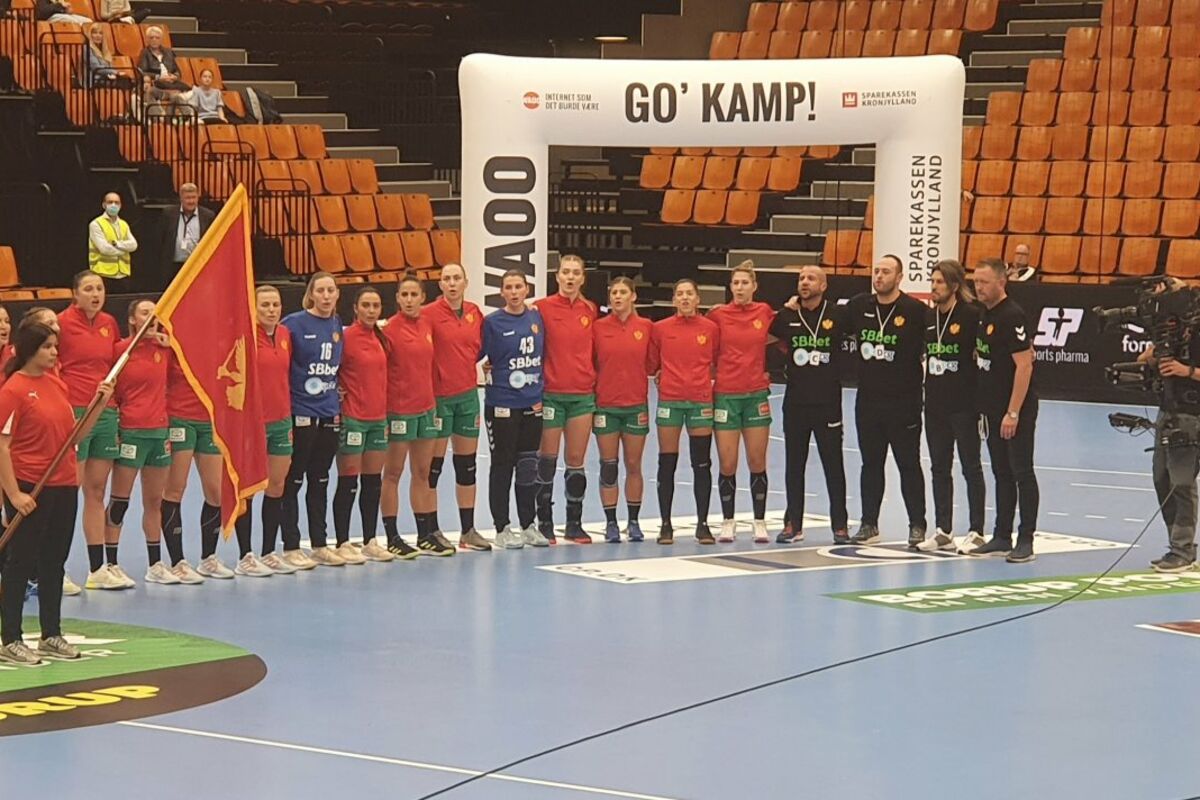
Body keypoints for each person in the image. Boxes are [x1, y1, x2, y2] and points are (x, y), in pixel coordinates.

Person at [0, 322, 108, 664]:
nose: (54, 352)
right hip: (30, 487)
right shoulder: (13, 390)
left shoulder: (56, 384)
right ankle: (10, 638)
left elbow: (74, 438)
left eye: (55, 346)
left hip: (63, 485)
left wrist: (99, 404)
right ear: (30, 349)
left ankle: (51, 634)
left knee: (53, 561)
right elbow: (2, 446)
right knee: (20, 563)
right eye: (47, 346)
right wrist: (14, 494)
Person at [105, 300, 190, 585]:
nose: (152, 317)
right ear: (132, 319)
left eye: (156, 313)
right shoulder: (120, 350)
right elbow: (108, 390)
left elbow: (192, 366)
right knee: (120, 501)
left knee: (154, 502)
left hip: (159, 434)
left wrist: (173, 343)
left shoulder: (165, 349)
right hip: (131, 432)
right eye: (145, 313)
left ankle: (155, 564)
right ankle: (110, 563)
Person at [848, 255, 928, 547]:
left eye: (886, 272)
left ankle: (917, 525)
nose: (879, 276)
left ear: (899, 277)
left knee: (909, 464)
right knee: (870, 464)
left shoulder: (915, 310)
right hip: (868, 402)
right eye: (876, 271)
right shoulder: (860, 305)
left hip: (903, 403)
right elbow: (828, 321)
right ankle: (869, 523)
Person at [771, 265, 849, 544]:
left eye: (811, 278)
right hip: (796, 403)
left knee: (833, 464)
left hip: (827, 403)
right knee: (794, 465)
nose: (805, 282)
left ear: (824, 286)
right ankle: (793, 523)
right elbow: (766, 339)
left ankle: (840, 525)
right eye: (801, 278)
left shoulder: (837, 315)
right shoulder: (786, 315)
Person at [57, 271, 125, 591]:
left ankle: (97, 569)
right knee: (67, 493)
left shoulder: (109, 323)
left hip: (106, 412)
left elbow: (114, 368)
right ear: (75, 294)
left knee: (96, 492)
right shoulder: (61, 324)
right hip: (74, 412)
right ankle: (55, 569)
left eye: (99, 288)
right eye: (88, 289)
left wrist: (115, 406)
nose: (95, 294)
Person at [971, 258, 1039, 563]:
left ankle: (1026, 539)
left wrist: (1013, 413)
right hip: (991, 408)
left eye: (984, 282)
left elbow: (1024, 366)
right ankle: (1001, 535)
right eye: (975, 282)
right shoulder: (984, 313)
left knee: (1021, 472)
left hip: (1015, 410)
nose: (978, 287)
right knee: (1001, 472)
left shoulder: (1012, 315)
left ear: (1001, 282)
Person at [381, 274, 453, 557]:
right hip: (399, 411)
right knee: (393, 474)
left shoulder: (427, 324)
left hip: (427, 409)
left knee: (422, 472)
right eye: (405, 295)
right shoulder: (389, 329)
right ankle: (392, 536)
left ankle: (425, 535)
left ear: (423, 297)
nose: (409, 300)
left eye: (414, 295)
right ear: (397, 298)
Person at [918, 260, 986, 553]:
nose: (934, 287)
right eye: (932, 281)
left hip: (964, 405)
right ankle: (943, 530)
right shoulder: (929, 317)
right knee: (939, 468)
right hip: (935, 405)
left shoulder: (971, 315)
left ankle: (977, 531)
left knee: (971, 467)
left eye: (940, 282)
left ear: (955, 286)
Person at [708, 262, 776, 544]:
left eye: (744, 283)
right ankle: (728, 521)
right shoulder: (717, 315)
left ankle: (759, 521)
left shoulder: (765, 312)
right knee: (727, 462)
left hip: (755, 395)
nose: (739, 288)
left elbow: (784, 332)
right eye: (735, 283)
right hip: (726, 395)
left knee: (757, 460)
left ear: (754, 286)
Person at [424, 264, 490, 552]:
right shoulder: (428, 314)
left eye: (457, 278)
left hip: (468, 396)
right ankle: (431, 529)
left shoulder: (475, 312)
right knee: (432, 469)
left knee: (467, 466)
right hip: (439, 399)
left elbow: (481, 348)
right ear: (440, 284)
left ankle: (468, 530)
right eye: (446, 279)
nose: (452, 283)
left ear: (466, 282)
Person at [649, 278, 719, 545]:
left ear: (698, 299)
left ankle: (703, 524)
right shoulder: (660, 329)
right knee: (667, 462)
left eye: (690, 293)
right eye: (680, 294)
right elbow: (652, 362)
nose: (685, 298)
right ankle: (666, 525)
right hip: (670, 400)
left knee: (701, 463)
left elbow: (715, 359)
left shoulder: (710, 328)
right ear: (674, 300)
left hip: (700, 401)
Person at [280, 272, 344, 566]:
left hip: (329, 411)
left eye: (331, 290)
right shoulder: (293, 324)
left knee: (320, 480)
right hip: (301, 411)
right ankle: (291, 545)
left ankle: (319, 543)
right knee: (293, 480)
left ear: (337, 294)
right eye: (321, 291)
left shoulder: (336, 324)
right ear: (311, 294)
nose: (326, 296)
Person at [533, 254, 597, 544]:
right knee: (546, 459)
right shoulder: (541, 308)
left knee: (575, 460)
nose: (570, 277)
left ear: (583, 278)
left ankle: (574, 523)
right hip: (551, 394)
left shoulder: (590, 310)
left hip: (582, 396)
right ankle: (544, 522)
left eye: (576, 273)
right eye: (566, 272)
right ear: (557, 276)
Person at [480, 269, 546, 549]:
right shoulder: (492, 322)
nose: (514, 292)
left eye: (519, 286)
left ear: (527, 289)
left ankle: (528, 525)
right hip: (502, 403)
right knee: (502, 464)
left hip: (532, 402)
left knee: (528, 465)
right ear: (502, 292)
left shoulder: (536, 317)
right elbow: (475, 354)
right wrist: (486, 368)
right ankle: (502, 527)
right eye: (509, 287)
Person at [1137, 284, 1200, 573]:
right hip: (1167, 410)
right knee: (1161, 477)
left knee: (1182, 482)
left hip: (1192, 414)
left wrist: (1187, 371)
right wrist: (1154, 356)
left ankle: (1183, 549)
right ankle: (1175, 543)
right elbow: (1143, 360)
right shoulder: (1169, 334)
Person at [248, 285, 308, 573]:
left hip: (282, 420)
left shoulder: (285, 335)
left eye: (275, 305)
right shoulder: (246, 337)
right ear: (254, 308)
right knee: (248, 488)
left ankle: (269, 551)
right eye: (265, 305)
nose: (271, 310)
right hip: (253, 423)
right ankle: (245, 555)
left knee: (276, 486)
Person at [592, 277, 652, 543]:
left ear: (633, 296)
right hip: (606, 406)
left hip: (635, 405)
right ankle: (611, 523)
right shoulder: (598, 328)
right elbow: (591, 361)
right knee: (609, 466)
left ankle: (634, 521)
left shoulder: (646, 327)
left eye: (623, 292)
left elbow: (652, 362)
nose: (617, 296)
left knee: (633, 464)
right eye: (614, 292)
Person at [331, 287, 388, 564]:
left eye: (375, 305)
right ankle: (342, 541)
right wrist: (336, 392)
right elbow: (330, 368)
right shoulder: (345, 337)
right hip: (353, 418)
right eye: (365, 305)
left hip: (378, 420)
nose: (371, 310)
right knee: (348, 480)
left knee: (372, 482)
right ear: (355, 308)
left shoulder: (381, 337)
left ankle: (370, 540)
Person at [162, 337, 226, 579]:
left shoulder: (216, 339)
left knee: (215, 491)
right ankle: (177, 561)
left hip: (209, 420)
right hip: (180, 417)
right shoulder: (173, 339)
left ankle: (208, 558)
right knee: (175, 489)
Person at [158, 183, 213, 289]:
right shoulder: (168, 214)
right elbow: (160, 238)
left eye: (193, 197)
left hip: (197, 265)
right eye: (187, 198)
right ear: (181, 198)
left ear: (198, 197)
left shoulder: (208, 216)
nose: (191, 201)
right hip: (173, 266)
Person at [88, 192, 137, 281]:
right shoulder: (96, 224)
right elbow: (105, 249)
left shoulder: (124, 224)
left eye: (116, 202)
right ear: (104, 205)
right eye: (110, 202)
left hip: (123, 274)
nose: (113, 205)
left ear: (120, 205)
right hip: (102, 273)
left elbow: (134, 245)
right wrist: (125, 250)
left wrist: (116, 244)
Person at [137, 26, 188, 91]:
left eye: (157, 38)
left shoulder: (169, 52)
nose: (154, 40)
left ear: (161, 39)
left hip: (170, 81)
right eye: (151, 37)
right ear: (147, 40)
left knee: (188, 89)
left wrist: (174, 76)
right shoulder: (145, 53)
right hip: (157, 82)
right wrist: (159, 77)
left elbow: (177, 71)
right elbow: (142, 72)